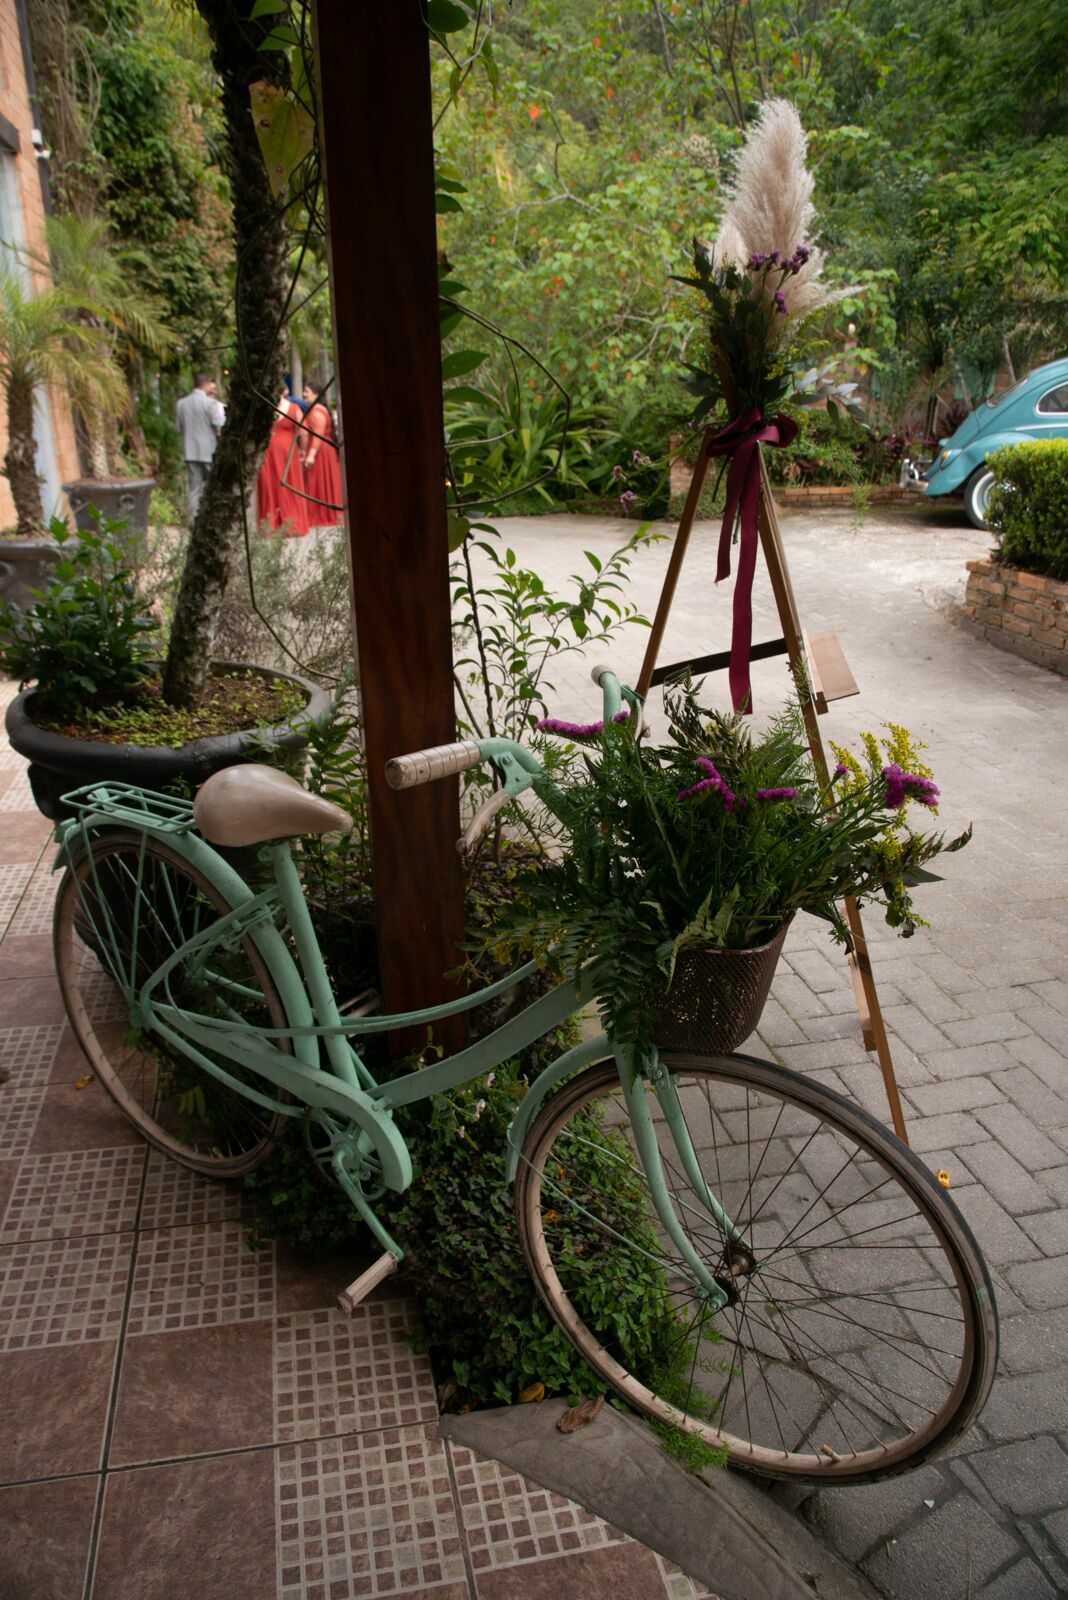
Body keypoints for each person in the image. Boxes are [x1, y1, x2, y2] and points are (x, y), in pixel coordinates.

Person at [256, 386, 310, 536]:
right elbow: (304, 431)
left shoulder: (263, 409)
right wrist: (303, 450)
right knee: (289, 484)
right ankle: (292, 524)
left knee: (269, 485)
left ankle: (270, 526)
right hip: (288, 452)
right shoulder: (293, 408)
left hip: (267, 451)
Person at [176, 374, 225, 517]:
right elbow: (218, 426)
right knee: (214, 486)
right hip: (209, 451)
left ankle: (193, 520)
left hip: (190, 451)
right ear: (206, 385)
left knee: (194, 490)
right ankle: (212, 517)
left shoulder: (181, 404)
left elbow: (179, 428)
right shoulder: (210, 403)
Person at [300, 380, 344, 530]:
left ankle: (322, 514)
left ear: (316, 394)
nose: (304, 394)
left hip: (320, 451)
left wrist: (311, 454)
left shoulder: (317, 411)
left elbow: (317, 434)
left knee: (318, 480)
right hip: (323, 450)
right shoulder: (318, 409)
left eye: (307, 391)